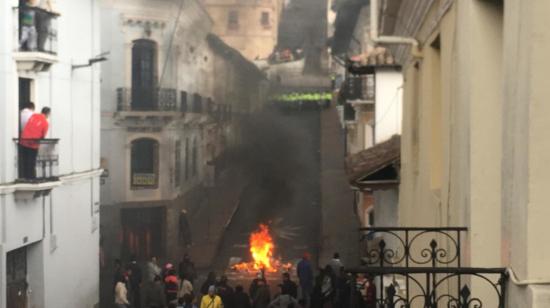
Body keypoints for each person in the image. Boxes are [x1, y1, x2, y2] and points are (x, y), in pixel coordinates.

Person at [19, 107, 50, 179]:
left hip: (24, 141)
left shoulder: (33, 116)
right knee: (31, 161)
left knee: (25, 160)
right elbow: (43, 135)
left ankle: (24, 176)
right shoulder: (45, 122)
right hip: (33, 144)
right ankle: (31, 177)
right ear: (48, 114)